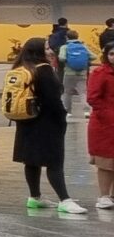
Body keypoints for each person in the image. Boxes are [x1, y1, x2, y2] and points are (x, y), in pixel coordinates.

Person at [9, 38, 83, 214]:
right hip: (47, 123)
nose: (50, 51)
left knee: (31, 161)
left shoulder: (21, 68)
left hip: (26, 121)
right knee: (54, 162)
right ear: (38, 51)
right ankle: (65, 200)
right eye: (47, 48)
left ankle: (35, 197)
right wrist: (62, 118)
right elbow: (53, 99)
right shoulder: (44, 70)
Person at [88, 40, 113, 210]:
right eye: (112, 54)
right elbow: (93, 98)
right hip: (105, 125)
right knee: (105, 163)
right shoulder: (100, 73)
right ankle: (104, 196)